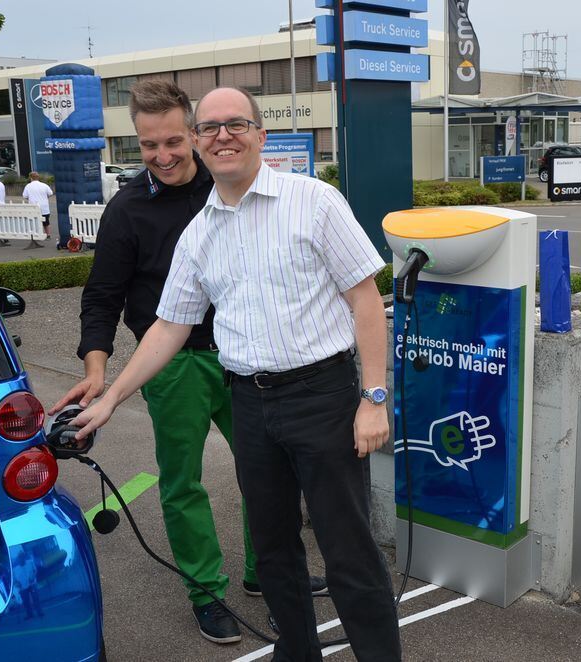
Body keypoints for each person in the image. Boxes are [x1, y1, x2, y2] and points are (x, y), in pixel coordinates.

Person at [71, 86, 401, 662]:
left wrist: (374, 398)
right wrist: (111, 396)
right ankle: (296, 652)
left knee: (347, 550)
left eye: (236, 125)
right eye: (211, 128)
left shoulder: (314, 201)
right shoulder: (200, 232)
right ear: (200, 141)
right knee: (273, 550)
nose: (223, 136)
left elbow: (366, 301)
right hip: (249, 400)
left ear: (260, 135)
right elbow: (168, 327)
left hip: (322, 395)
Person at [49, 80, 325, 646]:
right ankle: (206, 592)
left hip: (246, 354)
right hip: (172, 364)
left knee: (269, 475)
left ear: (195, 135)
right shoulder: (126, 210)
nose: (164, 156)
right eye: (149, 145)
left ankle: (268, 577)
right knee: (182, 484)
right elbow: (102, 296)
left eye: (174, 141)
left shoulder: (229, 185)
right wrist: (97, 369)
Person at [22, 172, 54, 238]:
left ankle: (37, 234)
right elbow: (50, 193)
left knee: (34, 221)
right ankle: (48, 234)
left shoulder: (28, 186)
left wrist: (30, 198)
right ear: (38, 177)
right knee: (46, 222)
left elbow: (25, 196)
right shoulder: (44, 185)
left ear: (31, 178)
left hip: (34, 207)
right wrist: (45, 197)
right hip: (44, 207)